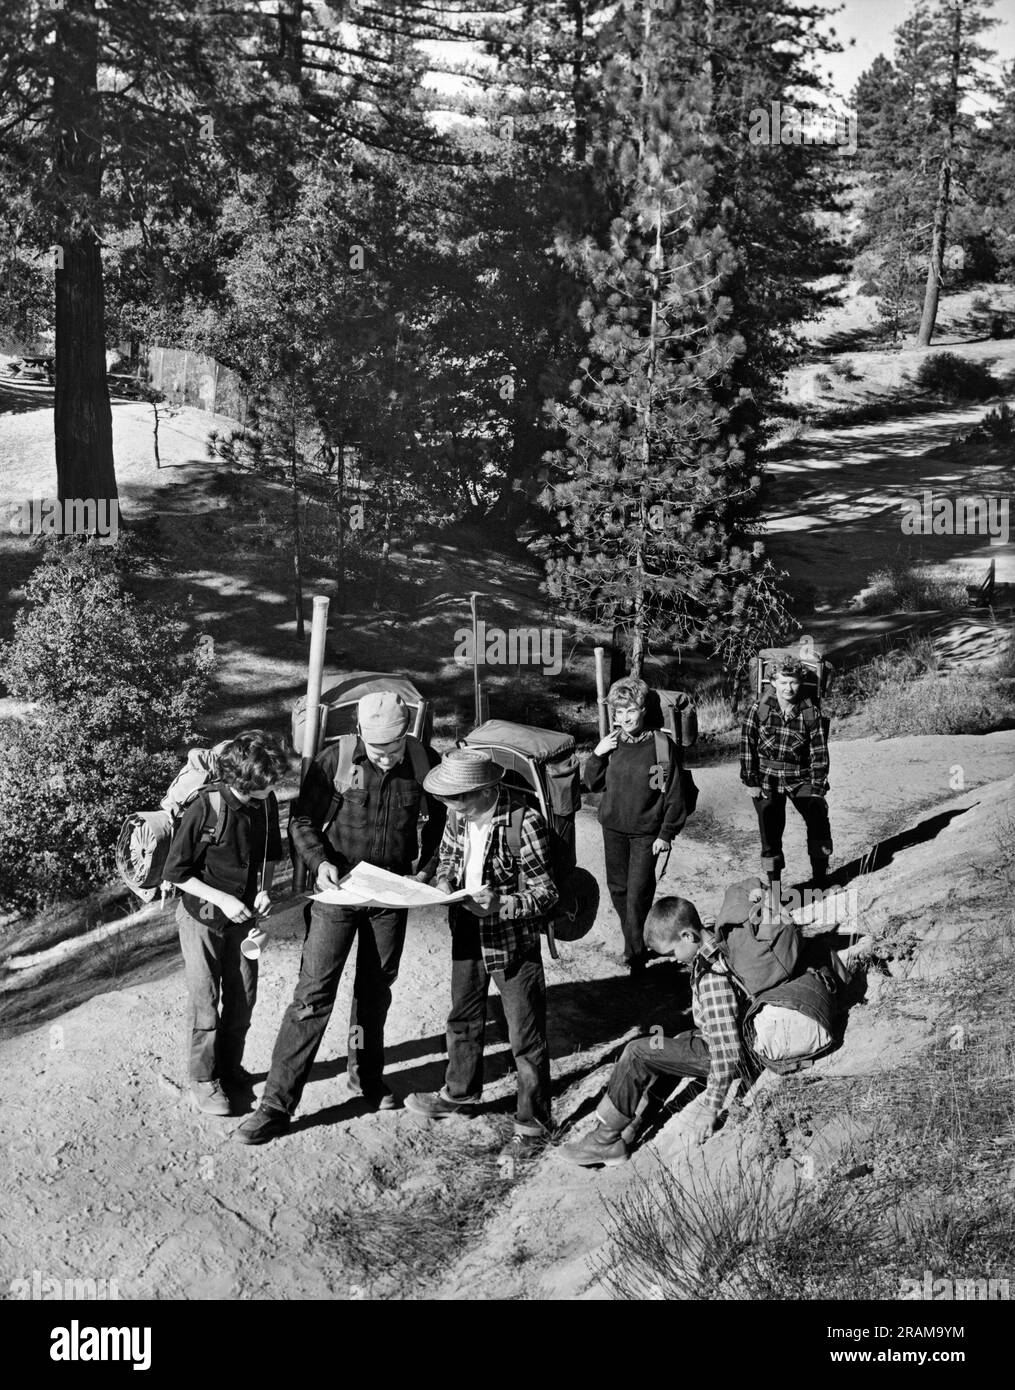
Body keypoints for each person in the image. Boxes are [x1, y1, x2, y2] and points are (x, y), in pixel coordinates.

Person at [235, 692, 443, 1145]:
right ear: (361, 736)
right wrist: (319, 862)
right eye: (377, 749)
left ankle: (365, 1077)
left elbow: (444, 817)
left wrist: (426, 869)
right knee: (312, 995)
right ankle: (275, 1104)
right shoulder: (338, 758)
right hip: (338, 893)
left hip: (391, 898)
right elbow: (302, 819)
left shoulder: (426, 761)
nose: (386, 758)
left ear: (407, 734)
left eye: (394, 748)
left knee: (374, 993)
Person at [404, 748, 558, 1161]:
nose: (451, 808)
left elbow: (547, 894)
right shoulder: (458, 816)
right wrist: (440, 882)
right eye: (448, 799)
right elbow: (450, 860)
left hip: (513, 942)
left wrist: (501, 905)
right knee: (463, 1018)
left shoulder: (525, 824)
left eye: (459, 799)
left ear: (486, 790)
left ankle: (533, 1124)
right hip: (467, 932)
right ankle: (460, 1093)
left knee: (525, 1037)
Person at [560, 894, 757, 1166]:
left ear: (688, 935)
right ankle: (633, 1126)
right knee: (667, 1045)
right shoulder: (713, 945)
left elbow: (726, 1051)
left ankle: (605, 1140)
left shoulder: (712, 977)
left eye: (672, 952)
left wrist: (711, 1108)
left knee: (637, 1052)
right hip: (723, 1040)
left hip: (727, 1053)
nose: (675, 961)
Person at [163, 730, 289, 1117]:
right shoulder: (207, 806)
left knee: (244, 997)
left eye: (271, 788)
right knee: (206, 1001)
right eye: (261, 790)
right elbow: (177, 870)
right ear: (240, 782)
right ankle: (204, 1080)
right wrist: (222, 898)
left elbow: (269, 855)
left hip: (243, 920)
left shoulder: (264, 802)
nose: (269, 794)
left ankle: (230, 1069)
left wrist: (265, 891)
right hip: (201, 918)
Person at [583, 675, 688, 973]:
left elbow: (670, 792)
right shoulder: (612, 744)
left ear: (642, 710)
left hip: (645, 833)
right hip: (613, 828)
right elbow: (592, 783)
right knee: (618, 890)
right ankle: (636, 939)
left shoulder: (659, 746)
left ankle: (634, 954)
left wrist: (666, 832)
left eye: (631, 710)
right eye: (619, 712)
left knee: (638, 891)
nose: (625, 718)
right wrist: (597, 754)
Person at [740, 657, 832, 891]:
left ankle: (820, 881)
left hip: (800, 776)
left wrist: (818, 787)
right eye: (782, 682)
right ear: (773, 681)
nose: (788, 688)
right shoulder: (759, 709)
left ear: (800, 682)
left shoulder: (810, 712)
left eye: (793, 682)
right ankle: (775, 887)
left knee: (819, 821)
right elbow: (747, 744)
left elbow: (819, 751)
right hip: (766, 776)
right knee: (770, 832)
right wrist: (751, 780)